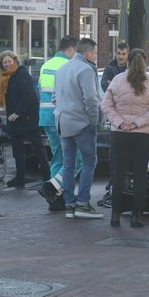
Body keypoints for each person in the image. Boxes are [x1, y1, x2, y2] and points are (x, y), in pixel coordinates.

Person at [102, 48, 149, 228]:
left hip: (119, 134)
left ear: (127, 61)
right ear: (145, 62)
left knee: (118, 174)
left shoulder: (117, 80)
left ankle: (115, 215)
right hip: (143, 135)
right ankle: (136, 216)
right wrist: (138, 123)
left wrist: (120, 122)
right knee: (139, 175)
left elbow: (106, 105)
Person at [0, 51, 50, 187]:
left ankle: (47, 176)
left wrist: (18, 112)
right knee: (17, 149)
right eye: (4, 62)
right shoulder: (4, 78)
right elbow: (0, 98)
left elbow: (28, 95)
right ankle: (20, 177)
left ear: (15, 60)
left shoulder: (22, 74)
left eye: (9, 61)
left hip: (28, 116)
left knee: (37, 147)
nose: (7, 64)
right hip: (14, 118)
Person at [54, 38, 104, 219]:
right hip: (81, 123)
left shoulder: (61, 69)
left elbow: (54, 97)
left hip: (62, 122)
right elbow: (91, 100)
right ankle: (83, 203)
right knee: (90, 160)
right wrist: (94, 120)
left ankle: (69, 204)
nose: (96, 57)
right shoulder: (86, 70)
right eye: (95, 53)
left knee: (68, 163)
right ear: (87, 53)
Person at [37, 35, 83, 211]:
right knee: (76, 158)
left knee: (57, 157)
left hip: (45, 117)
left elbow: (41, 89)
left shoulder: (46, 65)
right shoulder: (67, 65)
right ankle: (52, 189)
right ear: (71, 49)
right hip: (61, 117)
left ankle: (56, 198)